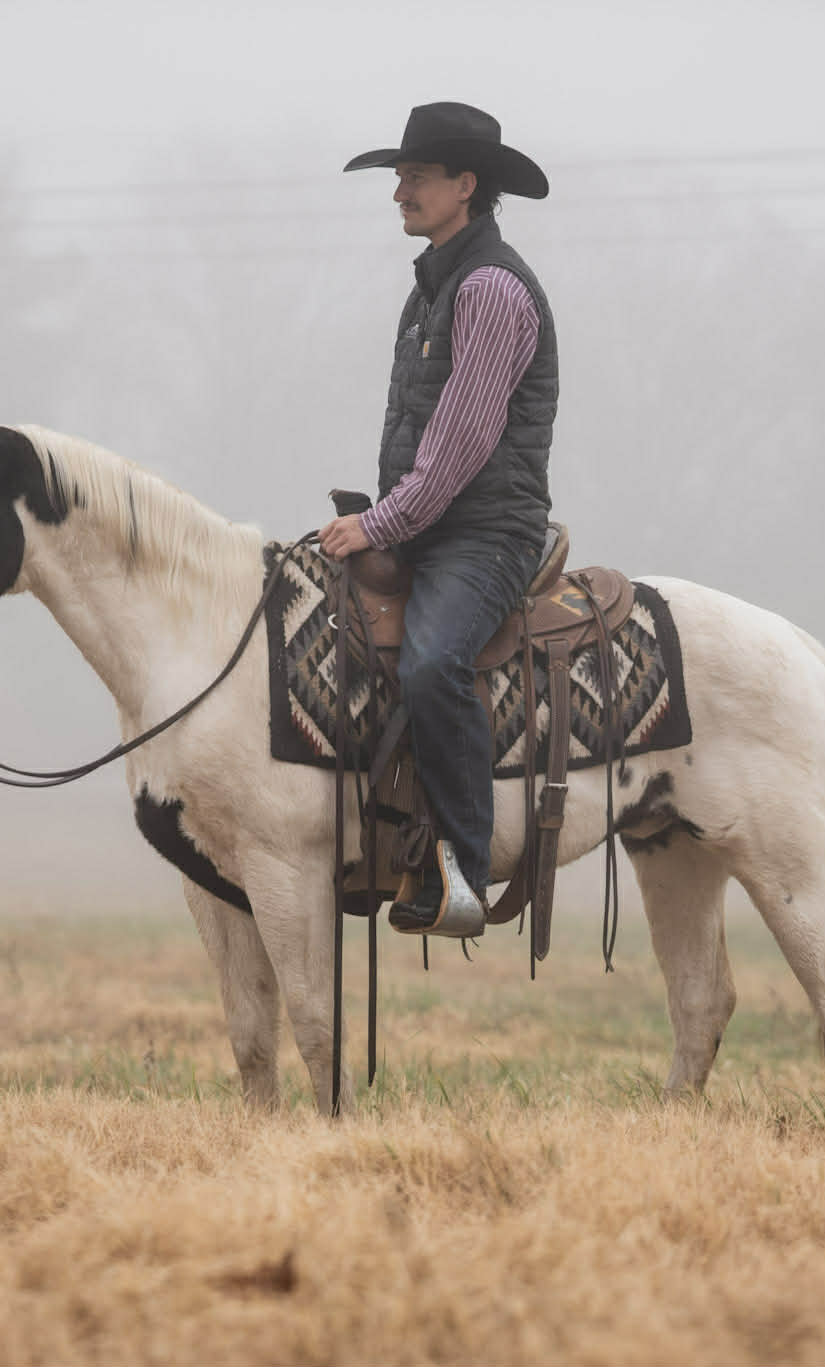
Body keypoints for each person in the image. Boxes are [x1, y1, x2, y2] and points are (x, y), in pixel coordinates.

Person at [319, 102, 558, 940]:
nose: (398, 192)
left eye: (415, 177)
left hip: (485, 534)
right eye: (398, 177)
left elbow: (457, 445)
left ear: (466, 186)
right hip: (429, 523)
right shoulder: (430, 289)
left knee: (429, 663)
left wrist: (381, 524)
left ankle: (462, 862)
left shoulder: (491, 290)